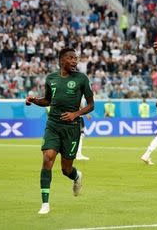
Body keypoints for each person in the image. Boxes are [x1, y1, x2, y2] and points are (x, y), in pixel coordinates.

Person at [26, 47, 94, 214]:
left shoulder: (81, 79)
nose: (75, 61)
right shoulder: (51, 78)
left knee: (66, 169)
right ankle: (45, 203)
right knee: (48, 158)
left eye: (76, 58)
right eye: (71, 58)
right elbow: (47, 100)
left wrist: (75, 114)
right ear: (61, 60)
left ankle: (76, 176)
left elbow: (92, 105)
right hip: (53, 125)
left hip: (71, 129)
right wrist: (34, 100)